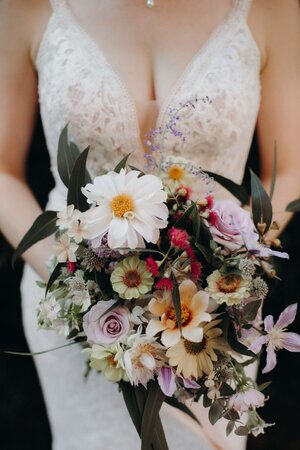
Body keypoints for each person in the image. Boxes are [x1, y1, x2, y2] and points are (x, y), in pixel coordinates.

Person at [0, 0, 299, 449]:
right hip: (71, 304)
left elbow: (290, 168)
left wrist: (228, 273)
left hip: (212, 317)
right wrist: (80, 285)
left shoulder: (274, 7)